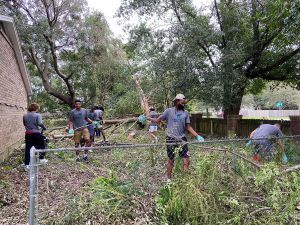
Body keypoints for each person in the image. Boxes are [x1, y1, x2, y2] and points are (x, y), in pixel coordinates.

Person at [148, 94, 204, 181]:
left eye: (184, 103)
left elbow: (188, 126)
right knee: (171, 160)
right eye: (182, 103)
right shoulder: (168, 111)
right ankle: (168, 180)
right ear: (177, 101)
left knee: (186, 160)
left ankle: (185, 180)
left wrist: (197, 136)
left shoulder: (185, 113)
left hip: (182, 139)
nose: (184, 104)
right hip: (171, 139)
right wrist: (147, 118)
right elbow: (157, 120)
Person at [23, 103, 48, 169]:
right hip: (36, 133)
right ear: (36, 108)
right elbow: (40, 123)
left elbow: (25, 124)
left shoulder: (25, 115)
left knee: (28, 149)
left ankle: (27, 164)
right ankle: (41, 159)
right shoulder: (38, 115)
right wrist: (44, 127)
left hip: (28, 134)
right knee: (42, 145)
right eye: (38, 108)